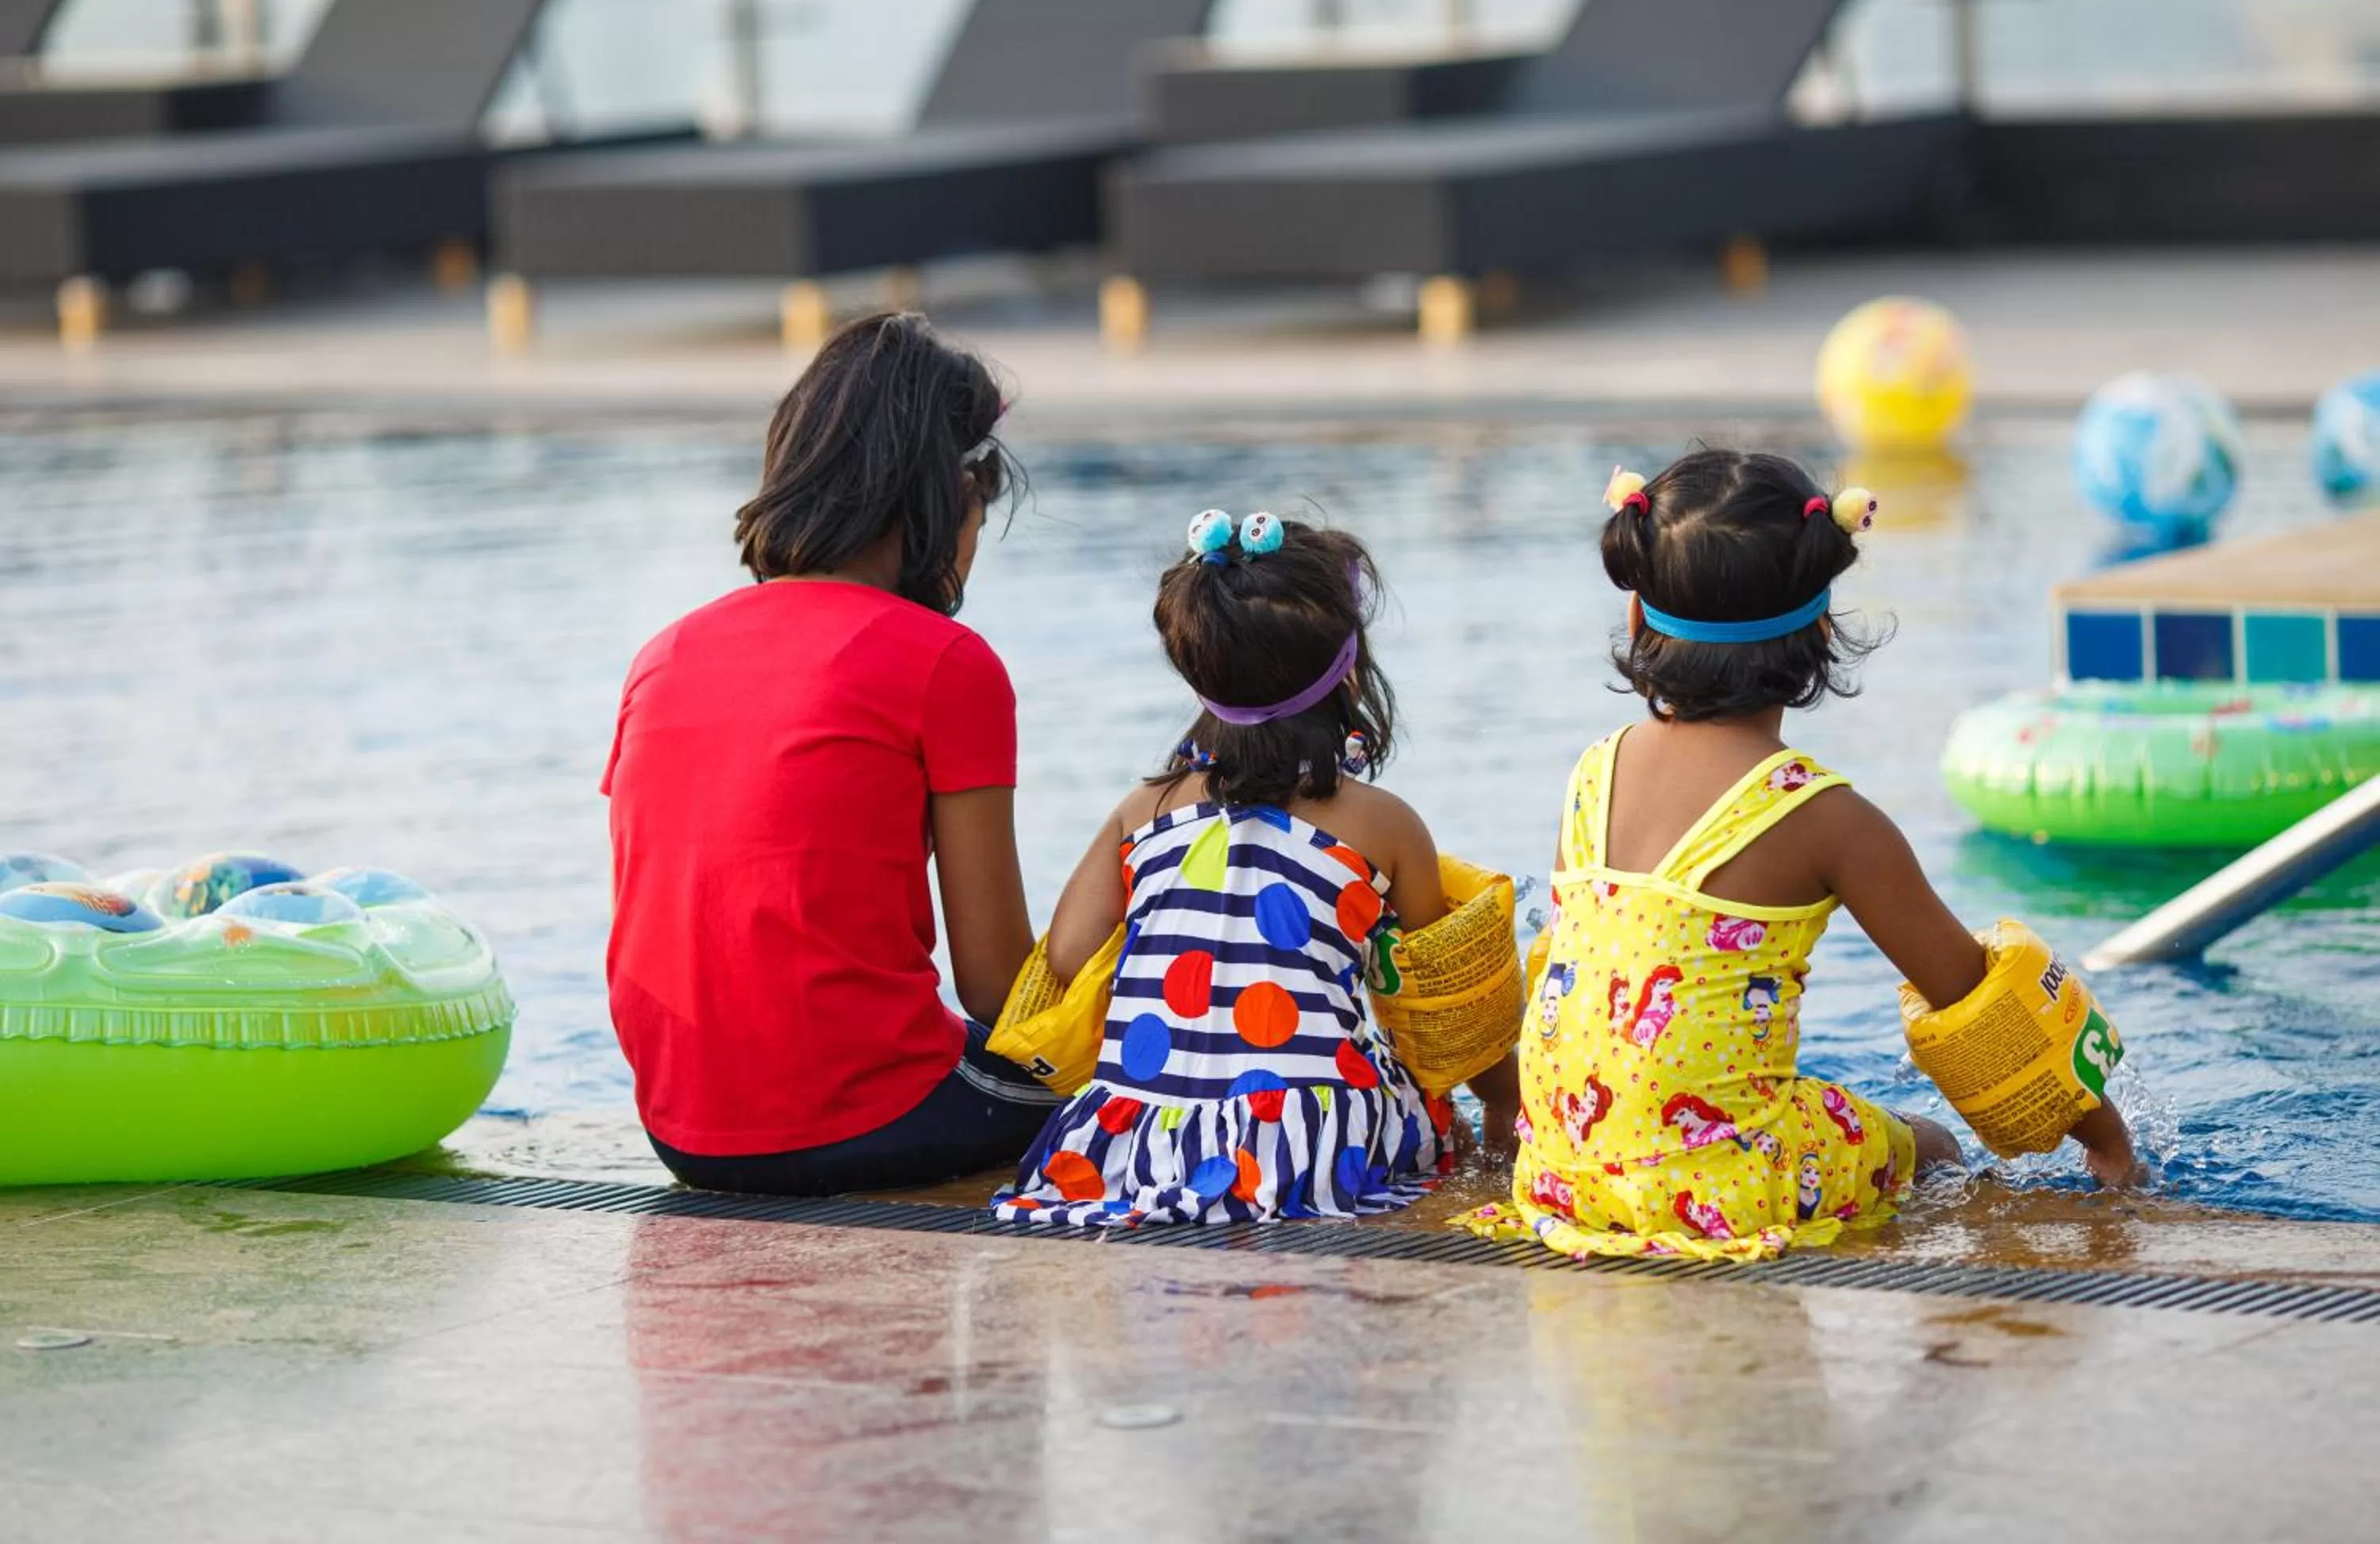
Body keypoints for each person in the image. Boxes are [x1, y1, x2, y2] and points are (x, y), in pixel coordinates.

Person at [1465, 449, 2137, 1263]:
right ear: (1821, 629)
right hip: (1723, 1194)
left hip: (1561, 1174)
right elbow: (1977, 1006)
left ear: (1638, 617)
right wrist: (2107, 1140)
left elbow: (1573, 975)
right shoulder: (1824, 817)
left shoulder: (1592, 771)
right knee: (1928, 1146)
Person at [603, 313, 1054, 1196]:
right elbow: (997, 985)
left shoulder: (664, 652)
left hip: (682, 1127)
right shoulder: (947, 663)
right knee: (1143, 1075)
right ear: (951, 497)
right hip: (866, 1120)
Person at [995, 510, 1518, 1227]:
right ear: (1349, 669)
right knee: (1425, 1111)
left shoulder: (1141, 812)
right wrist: (1501, 1105)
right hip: (1305, 1143)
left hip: (1140, 1139)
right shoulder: (1383, 824)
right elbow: (1445, 1010)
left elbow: (1066, 955)